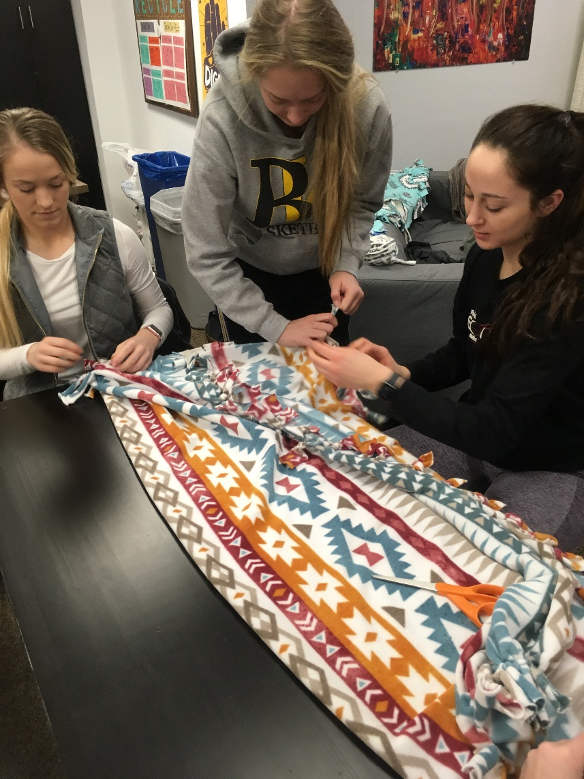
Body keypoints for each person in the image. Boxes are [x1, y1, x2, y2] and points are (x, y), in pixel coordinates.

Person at [308, 105, 584, 550]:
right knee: (344, 485)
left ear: (550, 203)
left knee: (491, 568)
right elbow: (464, 349)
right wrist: (403, 373)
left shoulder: (566, 303)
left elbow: (494, 429)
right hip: (475, 439)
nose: (472, 217)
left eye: (493, 205)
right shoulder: (484, 254)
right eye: (470, 196)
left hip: (547, 469)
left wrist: (388, 385)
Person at [182, 0, 393, 348]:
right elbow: (206, 251)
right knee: (257, 394)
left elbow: (361, 203)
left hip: (323, 270)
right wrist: (274, 327)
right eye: (278, 100)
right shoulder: (222, 118)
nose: (295, 117)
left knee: (326, 388)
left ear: (335, 83)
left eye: (312, 100)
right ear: (255, 75)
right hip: (246, 279)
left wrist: (346, 264)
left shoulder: (366, 106)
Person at [0, 107, 174, 400]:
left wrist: (148, 337)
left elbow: (160, 309)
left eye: (56, 184)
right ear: (3, 186)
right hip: (39, 403)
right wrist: (28, 355)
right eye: (26, 189)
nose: (45, 201)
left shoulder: (114, 235)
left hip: (119, 389)